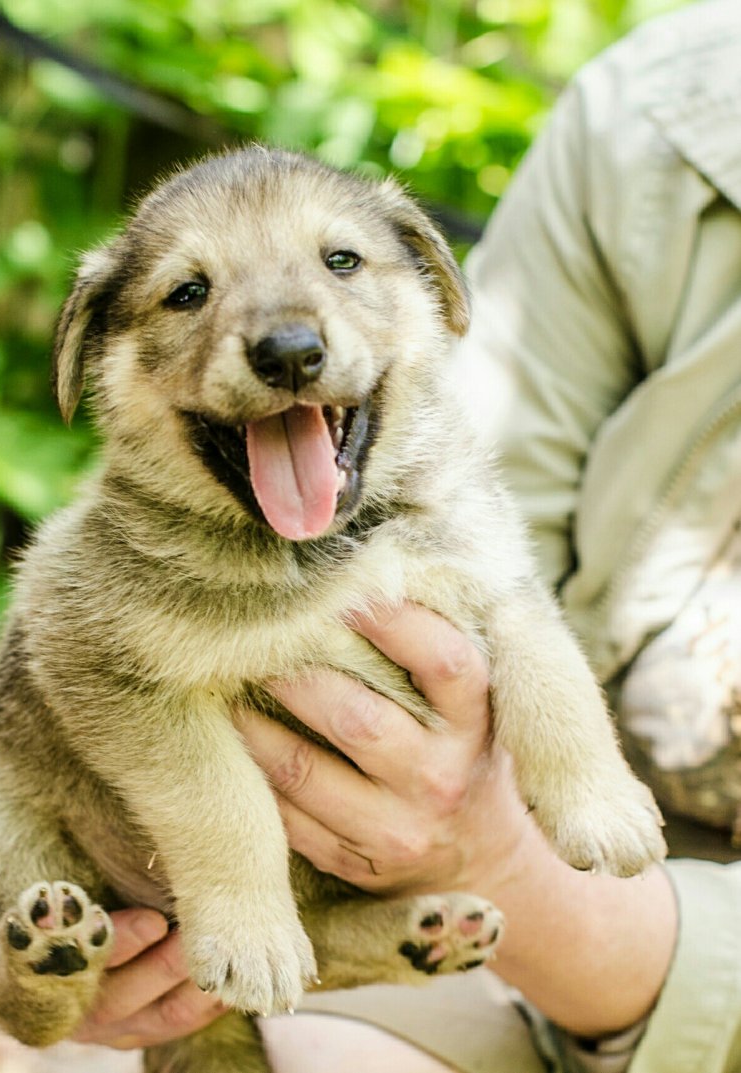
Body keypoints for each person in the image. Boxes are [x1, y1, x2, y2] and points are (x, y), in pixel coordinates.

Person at [69, 1, 741, 1069]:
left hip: (605, 922)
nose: (284, 334)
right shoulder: (659, 114)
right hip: (438, 915)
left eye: (339, 262)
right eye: (189, 291)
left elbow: (507, 618)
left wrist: (519, 838)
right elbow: (514, 589)